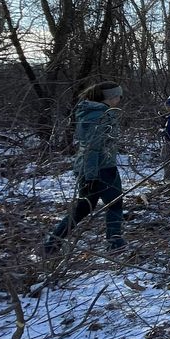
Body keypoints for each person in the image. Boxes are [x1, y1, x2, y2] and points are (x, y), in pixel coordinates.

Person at [45, 81, 127, 254]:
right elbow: (92, 147)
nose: (120, 99)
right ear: (111, 97)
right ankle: (115, 243)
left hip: (94, 167)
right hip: (101, 169)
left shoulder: (94, 112)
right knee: (114, 204)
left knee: (83, 208)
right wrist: (91, 176)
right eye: (119, 95)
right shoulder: (99, 116)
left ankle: (52, 244)